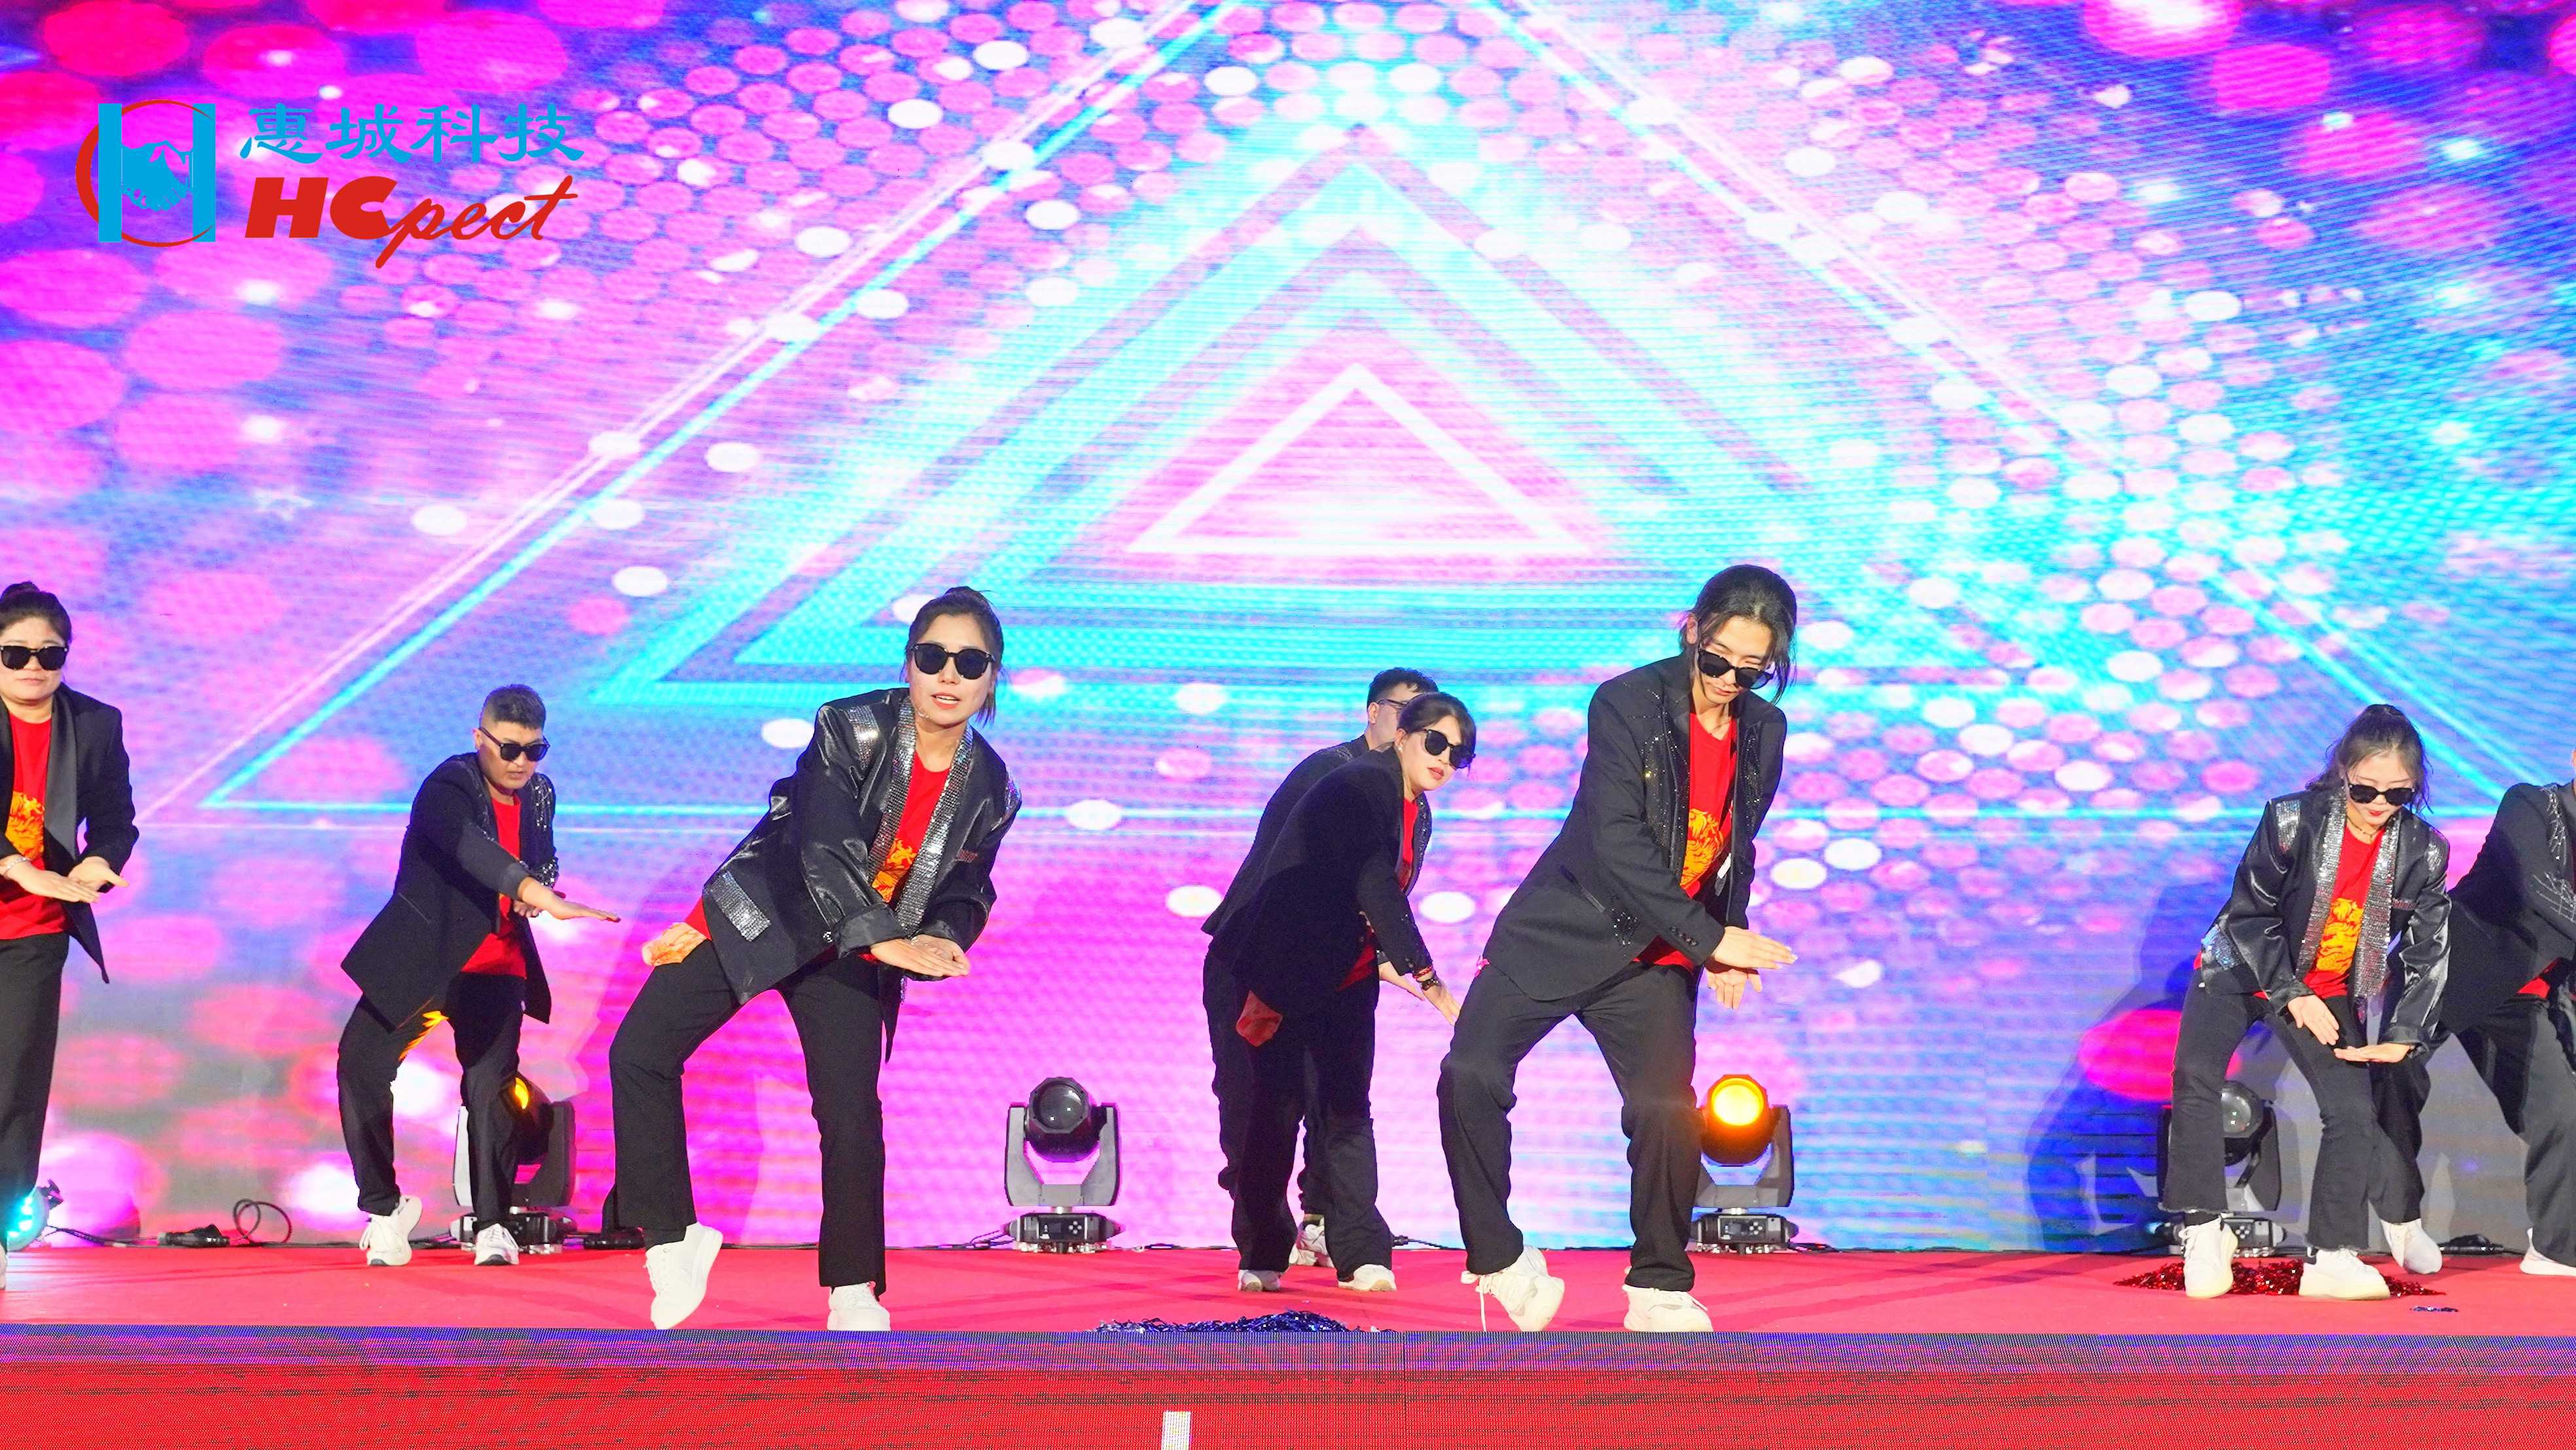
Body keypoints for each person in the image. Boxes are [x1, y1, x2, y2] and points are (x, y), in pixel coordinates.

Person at [614, 586, 1022, 1332]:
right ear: (908, 663)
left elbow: (969, 886)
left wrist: (946, 936)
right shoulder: (849, 725)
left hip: (857, 950)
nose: (949, 674)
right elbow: (819, 842)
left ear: (993, 676)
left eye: (970, 662)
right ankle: (673, 1238)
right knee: (639, 1050)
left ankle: (854, 1286)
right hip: (771, 912)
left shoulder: (994, 789)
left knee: (850, 1109)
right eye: (933, 656)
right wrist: (704, 920)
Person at [1438, 565, 1798, 1334]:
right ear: (1693, 631)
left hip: (1656, 952)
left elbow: (1735, 844)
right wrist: (1709, 935)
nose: (1730, 680)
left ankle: (1660, 1282)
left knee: (1667, 1111)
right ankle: (1500, 1256)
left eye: (1752, 669)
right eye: (1718, 659)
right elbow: (1616, 838)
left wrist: (1724, 941)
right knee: (1470, 1072)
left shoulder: (1764, 731)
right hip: (1566, 922)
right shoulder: (1627, 701)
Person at [2166, 703, 2449, 1301]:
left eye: (2397, 794)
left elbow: (2428, 950)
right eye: (2365, 789)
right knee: (2196, 1077)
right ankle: (2205, 1227)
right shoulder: (2292, 819)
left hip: (2327, 985)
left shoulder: (2424, 851)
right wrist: (2290, 993)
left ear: (2414, 788)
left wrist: (2406, 1032)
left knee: (2351, 1110)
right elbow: (2251, 913)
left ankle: (2332, 1256)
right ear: (2343, 772)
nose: (2378, 804)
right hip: (2241, 965)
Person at [336, 685, 620, 1268]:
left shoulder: (539, 793)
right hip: (425, 959)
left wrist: (539, 886)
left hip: (497, 965)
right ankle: (385, 1209)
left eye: (534, 750)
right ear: (480, 738)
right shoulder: (448, 786)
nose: (521, 763)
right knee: (360, 1064)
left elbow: (542, 855)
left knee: (489, 1088)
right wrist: (534, 891)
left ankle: (493, 1225)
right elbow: (471, 849)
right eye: (509, 749)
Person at [1228, 693, 1473, 1296]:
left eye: (1459, 753)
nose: (1445, 760)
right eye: (1436, 742)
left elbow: (1373, 898)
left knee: (1347, 1109)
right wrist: (1430, 980)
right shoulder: (1361, 784)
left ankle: (1361, 1252)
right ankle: (1262, 1251)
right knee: (1276, 1110)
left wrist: (1383, 960)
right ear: (1404, 735)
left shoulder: (1415, 806)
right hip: (1287, 966)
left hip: (1347, 972)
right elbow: (1372, 885)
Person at [2372, 753, 2576, 1279]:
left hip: (2521, 992)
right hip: (2447, 965)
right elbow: (2540, 889)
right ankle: (2400, 1219)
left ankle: (2556, 1247)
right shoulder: (2531, 803)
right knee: (2396, 1082)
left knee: (2562, 1110)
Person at [0, 583, 135, 1292]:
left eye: (48, 654)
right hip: (19, 883)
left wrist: (98, 860)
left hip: (35, 926)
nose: (33, 666)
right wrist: (16, 864)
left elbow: (116, 818)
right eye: (16, 653)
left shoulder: (95, 724)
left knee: (15, 1081)